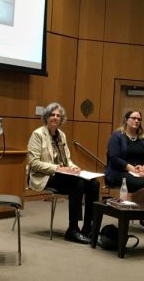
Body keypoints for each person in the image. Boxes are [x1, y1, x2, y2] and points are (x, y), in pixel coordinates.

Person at [27, 102, 100, 244]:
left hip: (63, 176)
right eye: (52, 115)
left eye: (58, 116)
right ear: (46, 117)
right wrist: (58, 169)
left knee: (94, 184)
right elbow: (34, 163)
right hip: (44, 176)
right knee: (77, 184)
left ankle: (88, 228)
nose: (55, 118)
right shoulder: (37, 134)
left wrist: (74, 168)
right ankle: (73, 229)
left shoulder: (61, 135)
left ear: (61, 119)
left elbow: (67, 160)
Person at [105, 110, 144, 234]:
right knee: (141, 187)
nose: (136, 121)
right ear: (126, 119)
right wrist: (131, 168)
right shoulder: (117, 136)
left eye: (139, 119)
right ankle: (133, 215)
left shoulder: (143, 139)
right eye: (133, 118)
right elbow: (113, 158)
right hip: (118, 172)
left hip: (139, 173)